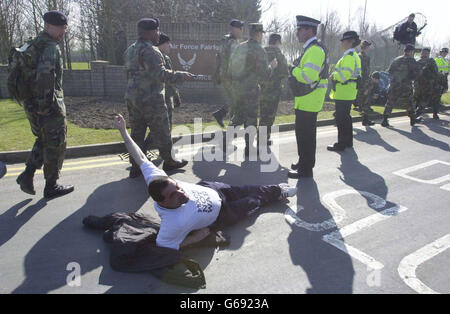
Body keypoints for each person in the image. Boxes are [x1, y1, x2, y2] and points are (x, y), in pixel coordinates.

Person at [113, 114, 297, 251]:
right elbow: (166, 247)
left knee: (248, 189)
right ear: (162, 202)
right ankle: (278, 194)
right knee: (253, 200)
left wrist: (122, 131)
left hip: (212, 189)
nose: (181, 192)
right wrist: (196, 238)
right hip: (221, 214)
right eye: (173, 195)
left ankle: (276, 189)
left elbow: (140, 156)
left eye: (177, 186)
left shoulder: (156, 179)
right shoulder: (172, 224)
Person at [124, 18, 193, 179]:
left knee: (137, 132)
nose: (159, 34)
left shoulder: (130, 50)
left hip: (133, 98)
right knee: (162, 130)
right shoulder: (151, 51)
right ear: (149, 32)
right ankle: (169, 161)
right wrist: (181, 75)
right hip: (151, 99)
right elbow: (160, 74)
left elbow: (127, 74)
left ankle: (136, 166)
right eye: (157, 31)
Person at [16, 11, 74, 199]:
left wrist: (37, 105)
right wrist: (45, 106)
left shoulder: (32, 43)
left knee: (43, 139)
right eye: (60, 28)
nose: (63, 32)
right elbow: (45, 77)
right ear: (48, 26)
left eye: (65, 28)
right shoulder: (50, 47)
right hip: (47, 105)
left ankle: (27, 174)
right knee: (56, 144)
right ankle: (51, 185)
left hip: (31, 103)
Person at [288, 15, 328, 179]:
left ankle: (306, 169)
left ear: (309, 31)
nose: (297, 32)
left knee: (306, 136)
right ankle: (303, 162)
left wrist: (293, 69)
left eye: (300, 29)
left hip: (310, 100)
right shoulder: (310, 49)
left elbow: (308, 76)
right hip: (306, 99)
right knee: (302, 134)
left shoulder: (315, 50)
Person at [228, 23, 277, 157]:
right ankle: (249, 149)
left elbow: (231, 68)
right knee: (250, 118)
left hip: (237, 89)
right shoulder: (259, 50)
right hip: (251, 90)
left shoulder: (240, 47)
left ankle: (226, 140)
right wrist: (271, 66)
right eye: (262, 34)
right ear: (259, 34)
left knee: (238, 116)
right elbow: (264, 74)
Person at [143, 33, 181, 151]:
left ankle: (150, 149)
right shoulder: (163, 58)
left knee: (161, 126)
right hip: (164, 97)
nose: (170, 46)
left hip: (154, 96)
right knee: (164, 126)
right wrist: (176, 96)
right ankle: (153, 150)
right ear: (161, 44)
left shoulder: (152, 56)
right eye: (168, 43)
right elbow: (168, 79)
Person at [327, 31, 361, 152]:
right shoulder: (352, 55)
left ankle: (341, 144)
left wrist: (333, 76)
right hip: (348, 91)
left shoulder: (349, 57)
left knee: (341, 119)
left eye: (344, 40)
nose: (342, 42)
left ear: (351, 42)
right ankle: (348, 142)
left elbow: (344, 75)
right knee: (346, 118)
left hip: (344, 91)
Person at [212, 19, 244, 128]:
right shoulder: (232, 41)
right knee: (236, 100)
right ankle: (231, 124)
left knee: (233, 99)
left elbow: (219, 57)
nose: (242, 31)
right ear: (235, 29)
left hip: (224, 74)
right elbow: (235, 60)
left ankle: (221, 115)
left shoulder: (225, 39)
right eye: (240, 29)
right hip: (230, 75)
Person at [259, 33, 289, 146]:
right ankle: (263, 139)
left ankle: (260, 138)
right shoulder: (279, 54)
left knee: (262, 114)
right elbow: (285, 72)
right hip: (273, 90)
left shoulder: (261, 52)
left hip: (260, 88)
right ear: (277, 42)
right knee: (269, 115)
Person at [381, 44, 421, 127]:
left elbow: (389, 71)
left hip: (394, 84)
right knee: (409, 102)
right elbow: (416, 73)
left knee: (390, 101)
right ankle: (412, 119)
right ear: (411, 51)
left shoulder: (396, 59)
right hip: (406, 85)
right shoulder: (412, 60)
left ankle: (385, 119)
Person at [414, 47, 439, 119]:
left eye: (424, 52)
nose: (423, 53)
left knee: (418, 99)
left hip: (419, 84)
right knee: (424, 99)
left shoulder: (418, 61)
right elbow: (435, 72)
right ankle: (417, 113)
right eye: (423, 52)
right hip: (426, 84)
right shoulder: (431, 61)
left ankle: (414, 113)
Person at [355, 40, 375, 126]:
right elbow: (365, 72)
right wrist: (367, 85)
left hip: (361, 81)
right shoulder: (364, 57)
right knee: (365, 101)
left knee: (362, 101)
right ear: (365, 47)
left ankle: (365, 119)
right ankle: (365, 120)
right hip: (363, 82)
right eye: (368, 47)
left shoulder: (359, 56)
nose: (369, 48)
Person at [433, 47, 449, 119]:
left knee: (439, 95)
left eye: (446, 52)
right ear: (441, 52)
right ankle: (435, 112)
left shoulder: (446, 60)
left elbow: (447, 70)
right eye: (443, 52)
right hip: (438, 79)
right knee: (436, 96)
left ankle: (437, 107)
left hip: (444, 79)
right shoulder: (437, 59)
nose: (445, 53)